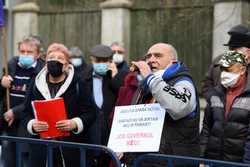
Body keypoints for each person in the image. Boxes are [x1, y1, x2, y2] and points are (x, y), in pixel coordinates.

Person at [124, 43, 200, 167]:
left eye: (158, 56)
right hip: (146, 160)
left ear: (173, 60)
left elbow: (178, 107)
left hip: (173, 161)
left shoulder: (184, 82)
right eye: (148, 56)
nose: (151, 60)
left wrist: (150, 78)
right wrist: (125, 146)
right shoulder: (146, 84)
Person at [22, 43, 96, 167]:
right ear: (46, 63)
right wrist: (33, 125)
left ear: (67, 65)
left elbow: (91, 112)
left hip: (71, 150)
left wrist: (75, 123)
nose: (55, 61)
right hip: (42, 151)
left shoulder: (79, 83)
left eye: (60, 58)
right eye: (51, 58)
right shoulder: (35, 84)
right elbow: (25, 112)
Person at [0, 36, 45, 167]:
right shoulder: (11, 65)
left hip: (28, 125)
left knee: (25, 162)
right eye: (22, 51)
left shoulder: (42, 71)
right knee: (7, 161)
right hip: (8, 125)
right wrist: (2, 84)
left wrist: (15, 112)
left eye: (29, 52)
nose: (25, 55)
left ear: (37, 54)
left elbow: (36, 98)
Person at [200, 51, 250, 164]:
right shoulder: (215, 93)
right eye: (222, 69)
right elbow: (206, 128)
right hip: (213, 160)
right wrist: (201, 158)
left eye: (228, 69)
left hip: (238, 162)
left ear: (242, 70)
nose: (223, 73)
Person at [82, 44, 127, 166]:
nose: (101, 64)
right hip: (89, 134)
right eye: (98, 61)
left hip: (111, 133)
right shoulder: (83, 77)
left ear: (111, 61)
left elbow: (124, 97)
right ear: (92, 60)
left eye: (105, 61)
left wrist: (115, 76)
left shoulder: (120, 76)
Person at [202, 24, 250, 100]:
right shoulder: (218, 61)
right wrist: (214, 100)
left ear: (248, 51)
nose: (231, 52)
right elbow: (207, 85)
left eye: (236, 49)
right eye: (230, 48)